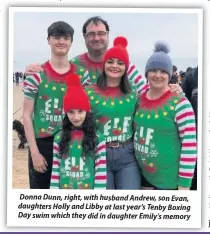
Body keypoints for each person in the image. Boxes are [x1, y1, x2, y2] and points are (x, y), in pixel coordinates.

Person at [25, 16, 182, 94]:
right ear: (85, 37)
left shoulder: (122, 65)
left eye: (101, 33)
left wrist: (170, 90)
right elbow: (55, 85)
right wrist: (31, 71)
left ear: (108, 36)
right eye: (91, 34)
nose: (97, 38)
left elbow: (146, 91)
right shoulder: (75, 64)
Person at [23, 21, 90, 189]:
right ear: (48, 40)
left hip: (72, 142)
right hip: (43, 144)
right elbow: (26, 115)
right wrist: (34, 153)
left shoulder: (82, 75)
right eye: (56, 37)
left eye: (66, 38)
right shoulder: (37, 75)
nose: (61, 41)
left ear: (71, 42)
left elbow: (88, 110)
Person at [133, 42, 197, 190]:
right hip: (143, 176)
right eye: (153, 70)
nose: (157, 75)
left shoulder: (180, 104)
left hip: (169, 183)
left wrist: (184, 186)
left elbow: (189, 146)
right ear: (146, 73)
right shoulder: (139, 99)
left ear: (169, 75)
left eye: (163, 71)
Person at [85, 36, 141, 189]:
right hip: (99, 154)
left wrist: (174, 89)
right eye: (110, 62)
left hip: (128, 154)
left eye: (120, 63)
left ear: (126, 67)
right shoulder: (89, 92)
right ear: (104, 65)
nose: (115, 66)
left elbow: (153, 97)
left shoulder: (134, 93)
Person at [50, 74, 107, 189]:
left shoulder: (98, 138)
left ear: (87, 111)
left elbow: (100, 171)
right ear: (66, 113)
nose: (76, 117)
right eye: (71, 112)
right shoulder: (59, 138)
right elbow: (55, 171)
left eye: (80, 111)